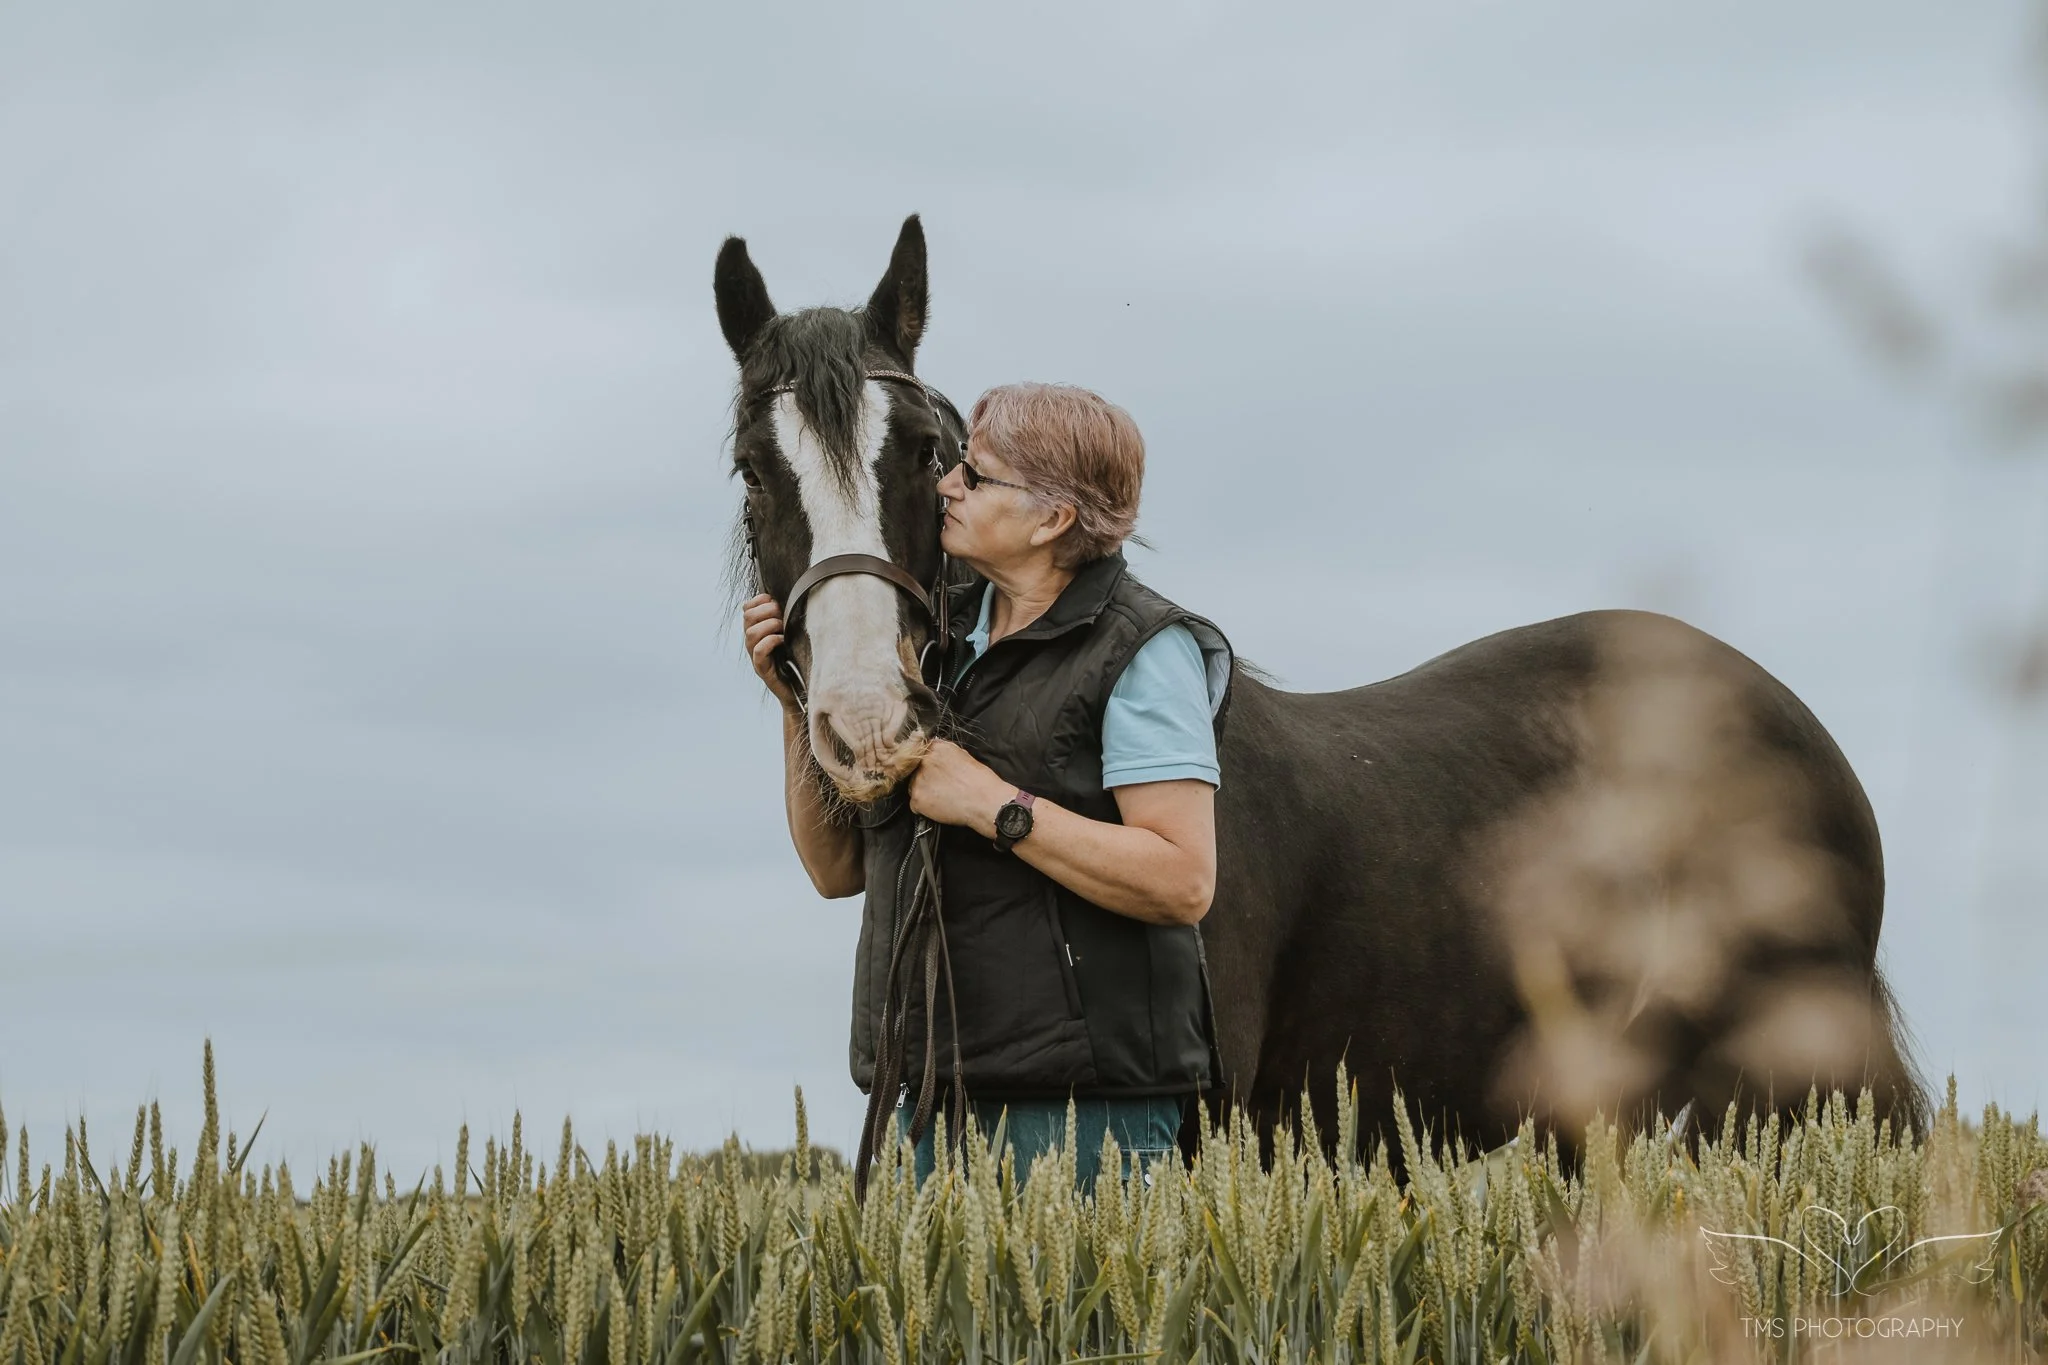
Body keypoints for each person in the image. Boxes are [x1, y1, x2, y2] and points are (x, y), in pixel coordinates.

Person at [741, 381, 1234, 1190]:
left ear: (1052, 519)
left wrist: (992, 804)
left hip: (1085, 1114)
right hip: (930, 1095)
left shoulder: (1143, 651)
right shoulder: (935, 644)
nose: (946, 486)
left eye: (977, 475)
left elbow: (1183, 878)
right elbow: (836, 872)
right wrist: (796, 706)